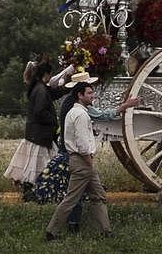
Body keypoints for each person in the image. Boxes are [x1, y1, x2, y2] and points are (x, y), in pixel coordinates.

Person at [45, 81, 112, 238]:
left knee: (99, 196)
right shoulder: (81, 115)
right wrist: (89, 162)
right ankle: (51, 231)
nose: (92, 96)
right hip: (82, 161)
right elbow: (82, 144)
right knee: (71, 199)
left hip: (82, 161)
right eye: (88, 93)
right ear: (79, 95)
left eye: (92, 92)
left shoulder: (73, 112)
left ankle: (106, 231)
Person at [5, 61, 58, 197]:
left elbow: (54, 93)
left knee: (34, 166)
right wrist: (53, 120)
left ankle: (32, 191)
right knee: (36, 167)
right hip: (40, 135)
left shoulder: (38, 87)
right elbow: (40, 112)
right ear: (46, 74)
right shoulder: (41, 90)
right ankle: (31, 192)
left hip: (35, 134)